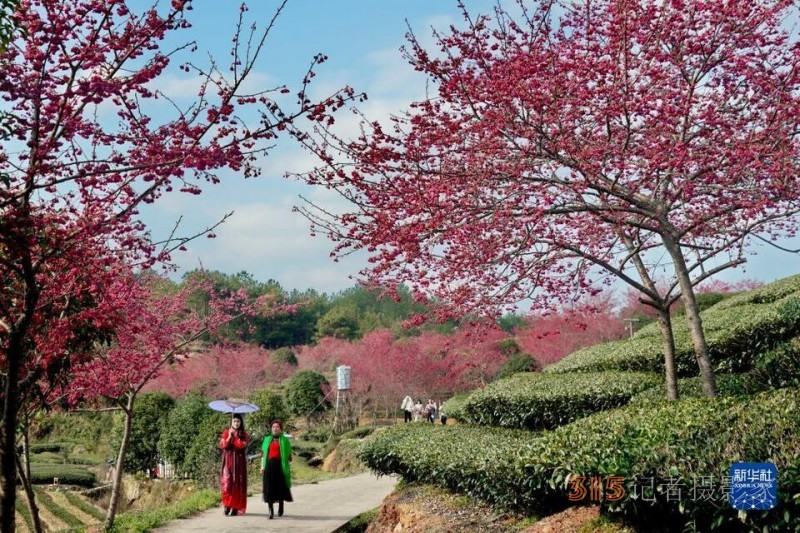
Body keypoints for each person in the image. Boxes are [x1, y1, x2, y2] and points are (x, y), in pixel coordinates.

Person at [261, 419, 293, 519]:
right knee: (269, 488)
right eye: (273, 427)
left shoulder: (284, 440)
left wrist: (288, 458)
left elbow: (289, 457)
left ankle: (281, 504)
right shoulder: (266, 439)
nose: (275, 429)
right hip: (269, 467)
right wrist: (262, 466)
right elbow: (263, 455)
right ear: (271, 429)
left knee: (279, 487)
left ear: (281, 429)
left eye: (277, 427)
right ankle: (270, 510)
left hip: (279, 467)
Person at [219, 413, 249, 516]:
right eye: (234, 421)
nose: (236, 423)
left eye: (238, 421)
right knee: (227, 484)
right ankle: (227, 506)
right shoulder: (226, 432)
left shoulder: (244, 434)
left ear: (241, 422)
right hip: (227, 462)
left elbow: (241, 446)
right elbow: (222, 445)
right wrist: (228, 437)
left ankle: (235, 508)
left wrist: (235, 437)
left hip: (239, 463)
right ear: (231, 422)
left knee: (237, 485)